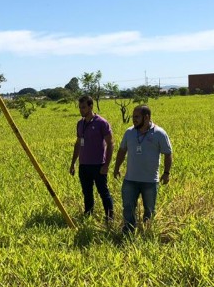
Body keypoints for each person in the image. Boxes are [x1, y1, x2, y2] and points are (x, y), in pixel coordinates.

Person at [113, 105, 172, 234]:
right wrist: (116, 168)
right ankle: (128, 231)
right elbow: (122, 151)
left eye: (136, 117)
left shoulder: (159, 133)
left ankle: (147, 232)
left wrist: (166, 173)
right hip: (130, 180)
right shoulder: (129, 132)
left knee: (149, 209)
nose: (133, 119)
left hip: (150, 181)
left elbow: (168, 153)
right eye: (133, 116)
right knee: (128, 208)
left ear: (146, 117)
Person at [69, 95, 114, 220]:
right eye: (79, 107)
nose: (81, 110)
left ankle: (110, 218)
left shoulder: (101, 123)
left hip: (98, 165)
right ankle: (88, 215)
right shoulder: (80, 124)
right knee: (87, 192)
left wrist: (106, 165)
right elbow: (78, 143)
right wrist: (73, 163)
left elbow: (110, 143)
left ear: (91, 106)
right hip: (84, 165)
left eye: (83, 107)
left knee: (103, 192)